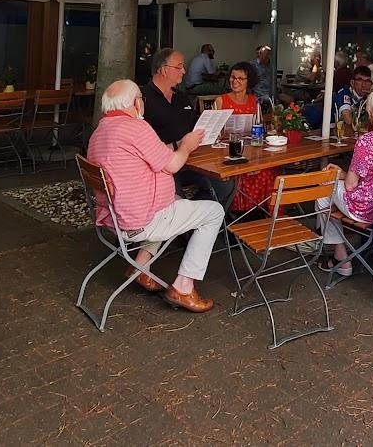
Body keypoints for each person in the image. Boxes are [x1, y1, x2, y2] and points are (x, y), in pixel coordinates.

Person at [87, 79, 223, 312]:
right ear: (136, 103)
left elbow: (150, 153)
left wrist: (177, 145)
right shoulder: (136, 128)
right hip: (141, 220)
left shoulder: (100, 132)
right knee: (214, 211)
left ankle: (139, 267)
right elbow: (174, 165)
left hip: (115, 217)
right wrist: (186, 146)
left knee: (177, 203)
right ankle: (183, 286)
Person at [317, 89, 373, 276]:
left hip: (366, 209)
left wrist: (338, 175)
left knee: (322, 192)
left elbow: (350, 185)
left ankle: (341, 258)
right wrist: (341, 173)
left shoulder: (366, 141)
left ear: (370, 113)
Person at [142, 48, 234, 205]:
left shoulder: (181, 97)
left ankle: (195, 215)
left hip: (192, 161)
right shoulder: (142, 99)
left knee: (225, 186)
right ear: (164, 70)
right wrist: (178, 145)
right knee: (174, 200)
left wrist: (211, 130)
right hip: (161, 167)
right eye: (179, 67)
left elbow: (194, 125)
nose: (184, 71)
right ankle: (188, 214)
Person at [217, 63, 275, 212]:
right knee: (242, 172)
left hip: (250, 151)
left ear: (249, 82)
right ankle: (240, 210)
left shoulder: (254, 101)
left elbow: (259, 127)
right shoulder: (221, 100)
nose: (235, 81)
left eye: (240, 78)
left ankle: (260, 210)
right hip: (227, 153)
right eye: (233, 77)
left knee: (268, 170)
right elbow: (214, 133)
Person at [332, 65, 373, 137]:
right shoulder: (344, 93)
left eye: (367, 81)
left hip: (353, 135)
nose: (364, 85)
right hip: (334, 133)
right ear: (352, 83)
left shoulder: (368, 97)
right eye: (360, 80)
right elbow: (348, 119)